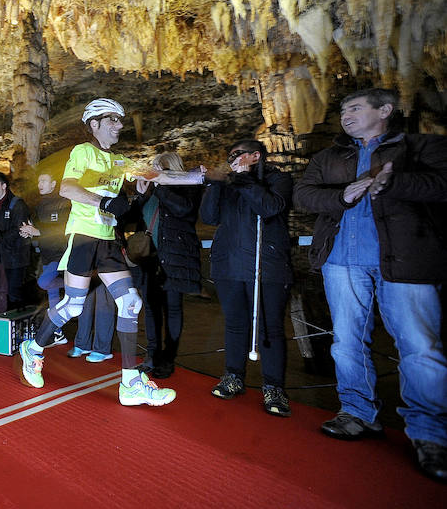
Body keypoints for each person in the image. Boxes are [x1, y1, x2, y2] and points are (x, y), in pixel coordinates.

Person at [293, 88, 447, 481]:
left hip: (404, 261)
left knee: (419, 345)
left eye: (356, 108)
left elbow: (441, 185)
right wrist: (342, 195)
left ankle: (431, 435)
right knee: (346, 341)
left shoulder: (418, 148)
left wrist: (393, 185)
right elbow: (304, 195)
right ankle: (357, 412)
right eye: (343, 110)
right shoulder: (329, 157)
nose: (346, 115)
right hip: (342, 260)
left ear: (385, 110)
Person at [16, 98, 176, 407]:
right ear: (94, 125)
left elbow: (158, 176)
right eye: (112, 120)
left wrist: (200, 175)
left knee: (130, 302)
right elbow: (68, 189)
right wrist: (104, 203)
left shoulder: (118, 160)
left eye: (120, 120)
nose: (119, 124)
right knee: (74, 305)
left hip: (108, 242)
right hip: (85, 238)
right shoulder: (83, 152)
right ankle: (33, 349)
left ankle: (130, 383)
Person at [199, 139, 293, 417]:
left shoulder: (279, 179)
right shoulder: (227, 185)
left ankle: (274, 386)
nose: (232, 160)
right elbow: (208, 216)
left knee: (269, 328)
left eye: (237, 155)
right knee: (236, 324)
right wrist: (215, 183)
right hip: (229, 264)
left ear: (256, 156)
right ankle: (233, 376)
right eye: (229, 156)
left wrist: (243, 179)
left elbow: (270, 207)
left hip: (266, 265)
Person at [140, 152, 203, 379]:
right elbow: (136, 217)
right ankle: (152, 354)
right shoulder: (152, 191)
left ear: (173, 169)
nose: (155, 173)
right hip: (150, 258)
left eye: (160, 169)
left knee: (173, 308)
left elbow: (184, 210)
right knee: (151, 308)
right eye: (154, 168)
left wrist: (159, 186)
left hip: (175, 257)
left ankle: (168, 358)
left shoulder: (187, 187)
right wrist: (141, 194)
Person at [20, 172, 71, 347]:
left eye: (44, 180)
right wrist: (28, 231)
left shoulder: (62, 202)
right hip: (47, 255)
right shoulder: (40, 205)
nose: (40, 184)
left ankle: (77, 286)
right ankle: (58, 332)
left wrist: (37, 232)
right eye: (39, 180)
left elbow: (61, 231)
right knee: (52, 293)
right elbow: (37, 229)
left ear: (53, 183)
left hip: (60, 254)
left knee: (44, 282)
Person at [0, 172, 32, 314]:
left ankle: (20, 327)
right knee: (3, 290)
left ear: (4, 186)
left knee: (14, 292)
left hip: (17, 257)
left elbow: (18, 230)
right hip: (1, 257)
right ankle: (8, 325)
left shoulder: (17, 205)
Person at [67, 282, 116, 361]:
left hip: (107, 270)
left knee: (104, 301)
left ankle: (102, 349)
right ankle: (82, 344)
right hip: (88, 270)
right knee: (85, 301)